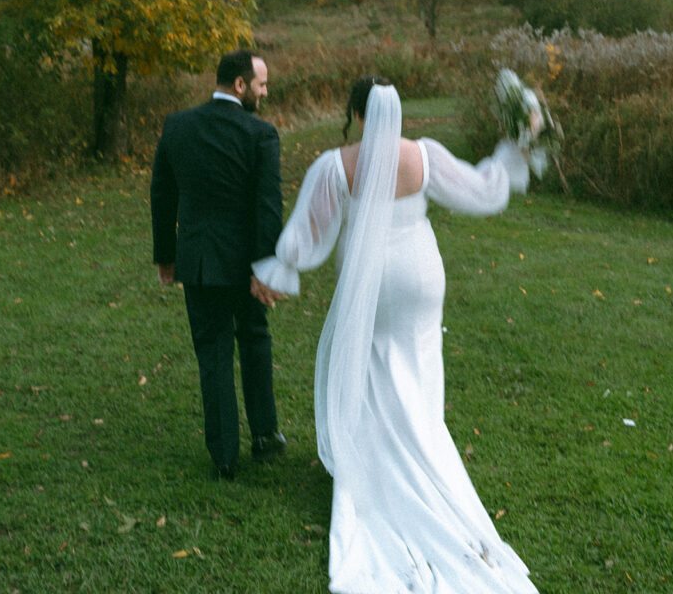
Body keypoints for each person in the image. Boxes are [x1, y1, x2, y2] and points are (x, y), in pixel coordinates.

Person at [252, 76, 541, 593]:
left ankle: (382, 463)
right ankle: (422, 440)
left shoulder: (335, 164)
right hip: (422, 277)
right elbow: (481, 188)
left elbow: (307, 231)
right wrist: (514, 151)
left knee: (373, 367)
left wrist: (279, 269)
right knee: (419, 364)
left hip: (373, 283)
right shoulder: (424, 156)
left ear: (358, 115)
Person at [150, 49, 287, 480]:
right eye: (261, 84)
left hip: (199, 263)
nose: (265, 92)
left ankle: (224, 455)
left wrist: (166, 257)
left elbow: (161, 196)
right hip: (246, 265)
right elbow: (269, 209)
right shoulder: (260, 134)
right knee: (254, 340)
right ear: (241, 85)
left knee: (212, 352)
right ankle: (264, 436)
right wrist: (264, 268)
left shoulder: (178, 126)